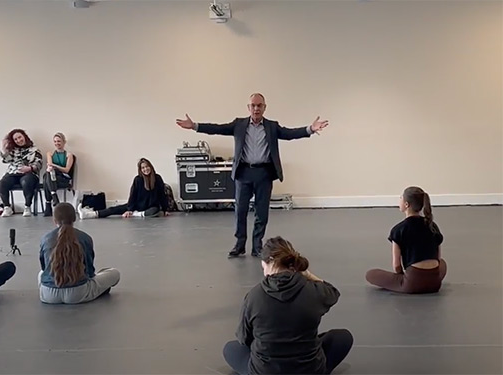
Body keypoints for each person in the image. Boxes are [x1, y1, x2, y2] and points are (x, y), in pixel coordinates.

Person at [176, 93, 328, 258]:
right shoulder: (238, 125)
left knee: (261, 213)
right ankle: (239, 245)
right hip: (244, 173)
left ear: (264, 107)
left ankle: (257, 247)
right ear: (248, 108)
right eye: (253, 105)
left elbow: (290, 133)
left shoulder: (271, 126)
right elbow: (217, 129)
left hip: (264, 174)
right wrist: (195, 126)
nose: (256, 108)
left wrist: (310, 129)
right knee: (240, 211)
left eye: (259, 105)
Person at [223, 237, 353, 374]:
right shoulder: (314, 291)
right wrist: (308, 275)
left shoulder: (254, 296)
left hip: (265, 371)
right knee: (343, 337)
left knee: (231, 348)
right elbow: (333, 292)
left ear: (265, 263)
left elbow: (244, 338)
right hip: (309, 370)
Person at [366, 186, 447, 294]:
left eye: (401, 198)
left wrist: (401, 276)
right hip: (435, 284)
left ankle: (409, 283)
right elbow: (438, 258)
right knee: (443, 264)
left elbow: (396, 265)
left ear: (406, 204)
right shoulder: (432, 226)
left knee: (370, 274)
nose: (399, 200)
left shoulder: (398, 230)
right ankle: (425, 281)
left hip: (412, 284)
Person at [38, 203, 121, 304]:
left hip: (48, 295)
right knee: (114, 273)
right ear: (74, 218)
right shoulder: (85, 238)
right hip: (78, 293)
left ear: (54, 220)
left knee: (40, 274)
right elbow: (90, 272)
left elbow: (44, 268)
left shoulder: (45, 239)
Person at [78, 158, 169, 219]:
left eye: (147, 166)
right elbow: (133, 195)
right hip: (137, 206)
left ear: (151, 167)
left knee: (155, 211)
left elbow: (162, 195)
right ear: (140, 170)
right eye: (143, 168)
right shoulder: (138, 180)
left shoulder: (157, 178)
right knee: (114, 209)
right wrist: (130, 209)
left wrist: (165, 209)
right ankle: (90, 214)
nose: (145, 169)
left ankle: (136, 214)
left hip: (150, 207)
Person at [0, 129, 43, 217]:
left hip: (29, 173)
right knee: (2, 183)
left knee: (26, 182)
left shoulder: (34, 149)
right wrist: (3, 148)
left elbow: (39, 163)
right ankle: (7, 207)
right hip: (13, 173)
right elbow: (6, 160)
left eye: (20, 137)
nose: (18, 140)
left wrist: (30, 168)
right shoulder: (13, 150)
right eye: (16, 139)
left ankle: (27, 206)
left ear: (24, 137)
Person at [43, 132, 75, 217]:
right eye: (55, 141)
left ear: (64, 142)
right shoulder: (50, 153)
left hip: (63, 178)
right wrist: (52, 167)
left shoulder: (69, 155)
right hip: (53, 176)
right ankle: (54, 196)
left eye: (59, 141)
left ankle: (48, 204)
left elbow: (67, 170)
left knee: (47, 178)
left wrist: (55, 166)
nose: (57, 143)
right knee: (48, 175)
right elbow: (50, 167)